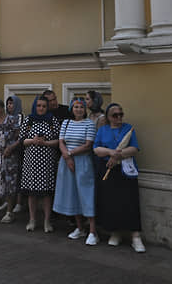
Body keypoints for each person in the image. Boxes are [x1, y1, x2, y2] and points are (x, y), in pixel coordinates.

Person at [93, 103, 146, 252]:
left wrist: (118, 156)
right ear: (108, 117)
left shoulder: (128, 128)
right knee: (112, 202)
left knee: (130, 202)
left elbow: (134, 148)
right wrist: (111, 153)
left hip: (125, 170)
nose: (118, 118)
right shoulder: (103, 130)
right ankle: (115, 233)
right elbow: (96, 148)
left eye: (121, 114)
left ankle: (135, 236)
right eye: (115, 115)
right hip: (108, 169)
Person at [54, 98, 98, 245]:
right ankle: (80, 228)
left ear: (85, 109)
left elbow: (88, 145)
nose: (78, 109)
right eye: (76, 107)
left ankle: (92, 231)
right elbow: (61, 142)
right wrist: (66, 157)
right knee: (72, 194)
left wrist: (70, 154)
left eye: (81, 107)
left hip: (82, 162)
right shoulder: (66, 123)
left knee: (86, 194)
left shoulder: (89, 124)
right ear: (72, 109)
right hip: (66, 162)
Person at [19, 95, 61, 233]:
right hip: (31, 162)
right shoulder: (29, 120)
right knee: (32, 193)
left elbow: (58, 141)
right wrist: (33, 141)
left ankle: (47, 221)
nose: (41, 108)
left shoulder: (52, 120)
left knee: (46, 194)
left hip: (46, 163)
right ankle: (32, 220)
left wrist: (45, 143)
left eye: (43, 106)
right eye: (39, 106)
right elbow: (22, 141)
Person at [5, 95, 25, 213]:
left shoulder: (20, 117)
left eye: (12, 103)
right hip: (6, 150)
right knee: (7, 177)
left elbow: (19, 133)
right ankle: (8, 202)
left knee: (18, 177)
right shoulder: (5, 117)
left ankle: (19, 202)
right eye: (8, 104)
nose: (9, 106)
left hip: (17, 150)